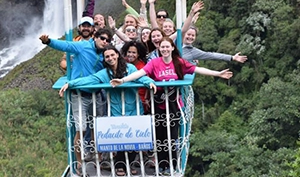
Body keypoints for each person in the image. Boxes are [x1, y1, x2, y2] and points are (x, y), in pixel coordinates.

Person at [110, 37, 233, 175]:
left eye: (167, 47)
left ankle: (172, 164)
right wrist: (123, 80)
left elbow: (197, 69)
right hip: (158, 103)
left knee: (172, 136)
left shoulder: (178, 62)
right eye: (162, 47)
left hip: (174, 104)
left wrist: (218, 73)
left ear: (172, 48)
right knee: (160, 136)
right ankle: (162, 165)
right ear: (159, 49)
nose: (165, 49)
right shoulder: (155, 63)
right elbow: (140, 73)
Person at [58, 45, 156, 177]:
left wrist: (149, 82)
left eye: (112, 55)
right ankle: (120, 165)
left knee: (134, 138)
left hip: (133, 107)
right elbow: (89, 80)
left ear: (117, 55)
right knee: (121, 139)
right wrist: (71, 84)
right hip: (116, 109)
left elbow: (140, 76)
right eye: (107, 56)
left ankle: (130, 163)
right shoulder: (105, 73)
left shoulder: (130, 68)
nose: (110, 58)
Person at [39, 28, 113, 175]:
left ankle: (100, 159)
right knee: (81, 129)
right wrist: (48, 41)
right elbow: (66, 46)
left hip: (96, 94)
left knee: (97, 129)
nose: (105, 42)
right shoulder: (83, 46)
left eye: (107, 40)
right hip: (79, 94)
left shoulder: (105, 53)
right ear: (95, 37)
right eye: (102, 38)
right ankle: (79, 164)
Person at [182, 26, 248, 64]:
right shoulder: (175, 42)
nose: (190, 37)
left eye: (193, 35)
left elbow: (211, 55)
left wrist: (232, 57)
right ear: (184, 34)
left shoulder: (193, 51)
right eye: (188, 34)